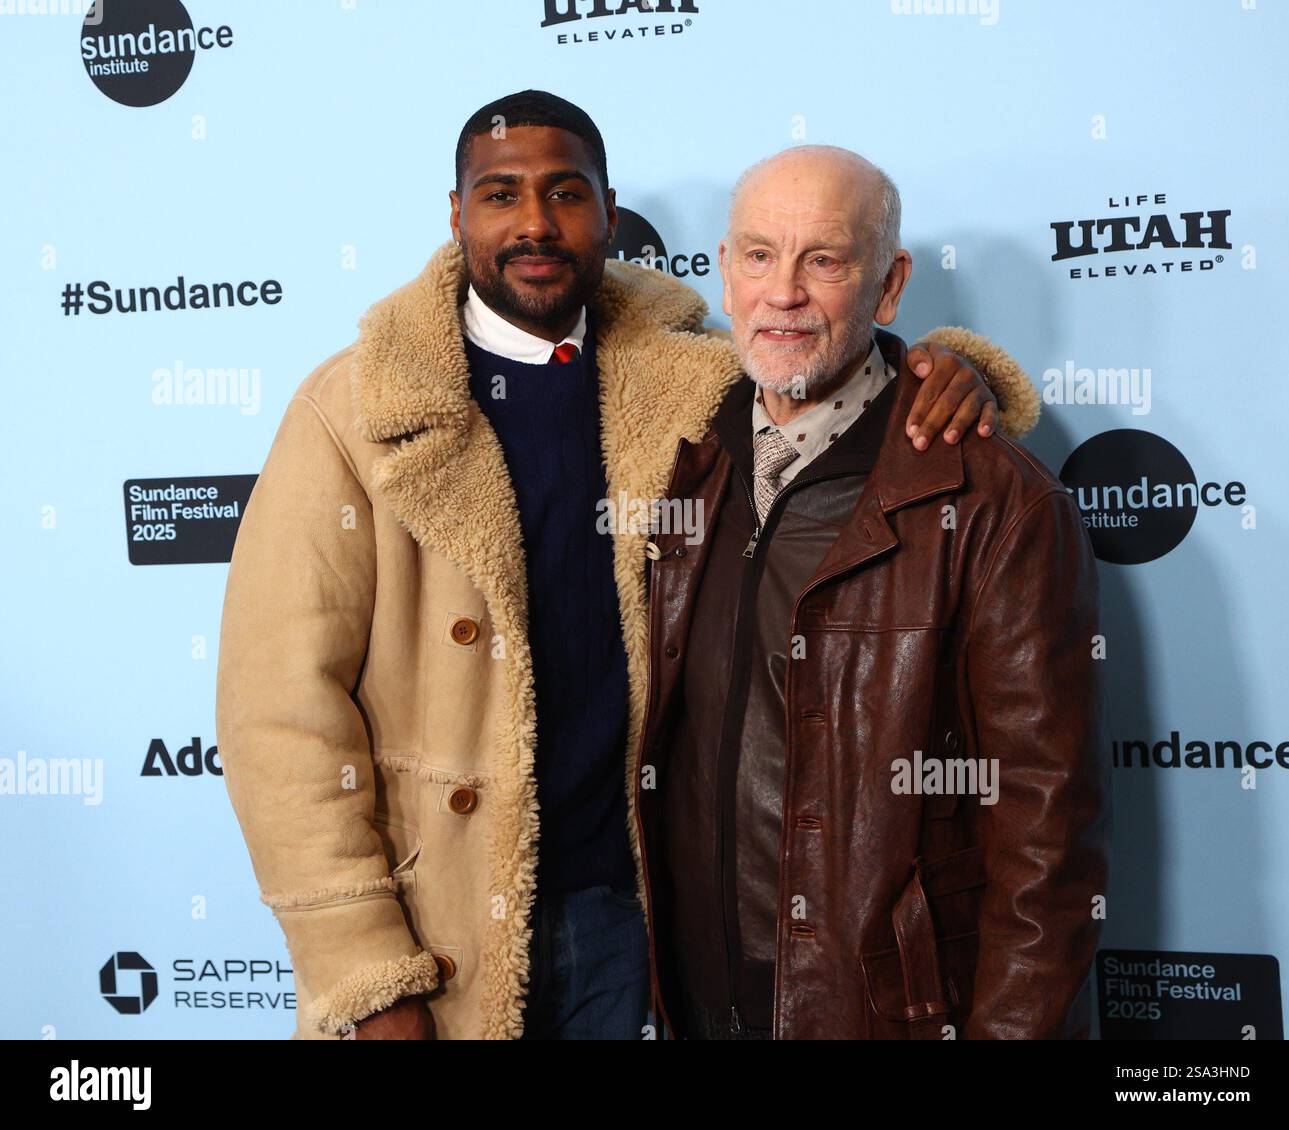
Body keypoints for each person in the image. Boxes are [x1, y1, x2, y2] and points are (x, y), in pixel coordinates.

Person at [214, 91, 1039, 1040]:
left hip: (640, 924)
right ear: (455, 215)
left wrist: (951, 373)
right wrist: (365, 971)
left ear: (610, 213)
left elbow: (833, 365)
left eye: (565, 194)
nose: (534, 223)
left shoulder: (686, 378)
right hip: (440, 927)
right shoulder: (354, 412)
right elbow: (277, 714)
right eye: (500, 195)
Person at [632, 145, 1111, 1040]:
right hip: (682, 999)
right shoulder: (673, 459)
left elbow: (1047, 839)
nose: (785, 292)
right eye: (760, 255)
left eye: (825, 259)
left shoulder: (994, 500)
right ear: (725, 275)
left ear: (888, 286)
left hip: (876, 1011)